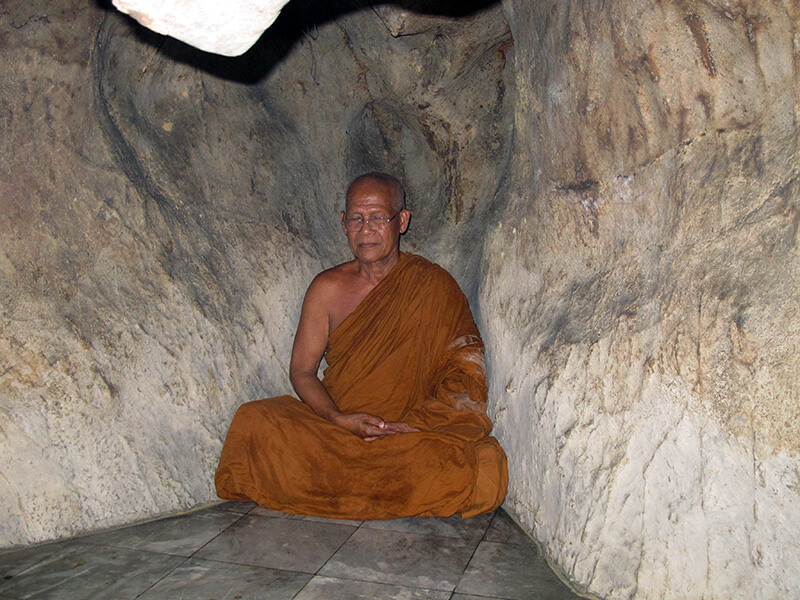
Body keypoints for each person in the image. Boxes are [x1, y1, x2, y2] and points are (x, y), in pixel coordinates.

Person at [214, 172, 507, 519]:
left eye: (378, 217)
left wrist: (415, 425)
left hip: (405, 434)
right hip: (336, 429)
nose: (366, 229)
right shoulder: (327, 288)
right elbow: (302, 371)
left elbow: (465, 369)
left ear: (402, 221)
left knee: (484, 462)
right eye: (356, 218)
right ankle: (378, 487)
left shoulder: (434, 286)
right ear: (343, 223)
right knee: (255, 421)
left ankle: (345, 483)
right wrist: (340, 419)